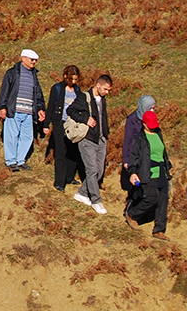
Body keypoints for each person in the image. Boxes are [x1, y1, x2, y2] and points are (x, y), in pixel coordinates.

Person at [67, 73, 112, 213]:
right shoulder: (84, 97)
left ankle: (81, 193)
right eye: (105, 89)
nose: (107, 92)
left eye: (109, 90)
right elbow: (70, 110)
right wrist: (86, 119)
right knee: (92, 169)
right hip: (87, 139)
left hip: (101, 139)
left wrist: (105, 134)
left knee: (99, 171)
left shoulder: (102, 99)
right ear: (98, 85)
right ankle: (96, 200)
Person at [0, 48, 47, 170]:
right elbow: (4, 91)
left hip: (29, 112)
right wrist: (2, 107)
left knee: (27, 137)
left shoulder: (34, 75)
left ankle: (20, 160)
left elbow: (38, 94)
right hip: (14, 110)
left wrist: (40, 108)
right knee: (11, 136)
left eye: (35, 60)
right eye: (32, 59)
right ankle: (10, 161)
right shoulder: (12, 73)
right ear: (23, 58)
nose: (34, 62)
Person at [124, 109, 171, 237]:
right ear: (144, 124)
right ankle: (132, 214)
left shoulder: (158, 133)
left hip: (161, 172)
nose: (153, 128)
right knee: (151, 198)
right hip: (147, 172)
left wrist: (168, 166)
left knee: (163, 200)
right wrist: (133, 172)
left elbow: (163, 152)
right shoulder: (139, 139)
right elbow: (134, 157)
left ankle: (159, 230)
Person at [46, 65, 84, 192]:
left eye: (76, 79)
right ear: (65, 77)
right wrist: (47, 124)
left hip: (73, 124)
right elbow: (51, 106)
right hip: (59, 123)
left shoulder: (77, 90)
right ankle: (59, 182)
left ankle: (69, 176)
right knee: (60, 151)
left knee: (73, 150)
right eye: (71, 79)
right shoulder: (57, 88)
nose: (73, 82)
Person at [119, 95, 156, 199]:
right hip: (135, 156)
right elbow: (128, 140)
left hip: (147, 155)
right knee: (135, 185)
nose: (152, 111)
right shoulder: (132, 120)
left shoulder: (152, 119)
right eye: (150, 108)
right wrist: (126, 159)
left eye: (154, 108)